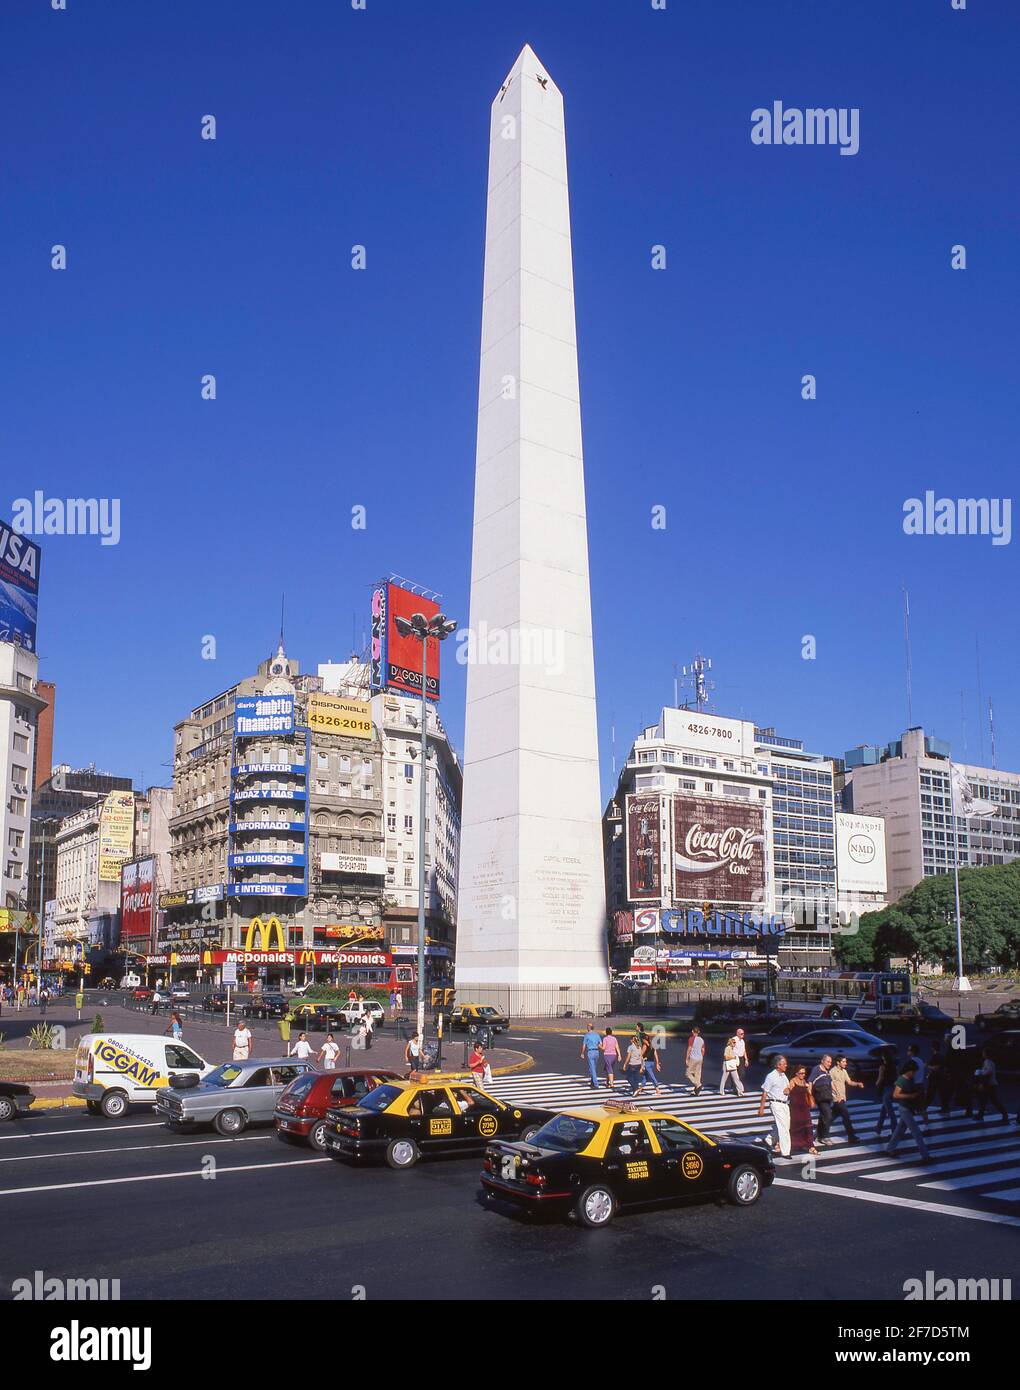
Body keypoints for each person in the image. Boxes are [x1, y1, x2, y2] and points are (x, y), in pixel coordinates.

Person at [884, 1059, 931, 1161]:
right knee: (916, 1132)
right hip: (904, 1108)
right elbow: (895, 1095)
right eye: (913, 1071)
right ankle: (925, 1156)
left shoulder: (910, 1079)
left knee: (899, 1131)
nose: (914, 1073)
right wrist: (910, 1096)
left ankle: (889, 1149)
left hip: (909, 1108)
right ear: (908, 1070)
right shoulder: (901, 1080)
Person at [758, 1055, 791, 1158]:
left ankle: (768, 1140)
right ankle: (786, 1152)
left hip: (785, 1104)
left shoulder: (783, 1075)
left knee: (785, 1126)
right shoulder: (771, 1076)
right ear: (778, 1065)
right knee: (784, 1128)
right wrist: (761, 1108)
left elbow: (787, 1088)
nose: (786, 1065)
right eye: (784, 1063)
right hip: (776, 1103)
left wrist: (788, 1090)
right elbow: (765, 1093)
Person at [829, 1054, 864, 1144]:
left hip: (842, 1098)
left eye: (845, 1061)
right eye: (843, 1061)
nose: (846, 1063)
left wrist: (858, 1084)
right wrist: (838, 1095)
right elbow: (831, 1084)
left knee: (831, 1117)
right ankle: (851, 1136)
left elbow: (849, 1082)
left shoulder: (844, 1071)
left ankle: (818, 1133)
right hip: (837, 1098)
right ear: (838, 1062)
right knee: (846, 1117)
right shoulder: (832, 1072)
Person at [788, 1064, 818, 1155]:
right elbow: (789, 1090)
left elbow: (808, 1093)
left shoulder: (804, 1081)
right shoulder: (792, 1081)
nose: (803, 1075)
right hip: (795, 1108)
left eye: (804, 1073)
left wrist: (809, 1088)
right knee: (795, 1127)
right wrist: (788, 1090)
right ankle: (794, 1144)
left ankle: (811, 1146)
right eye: (801, 1073)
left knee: (808, 1126)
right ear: (796, 1073)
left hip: (804, 1107)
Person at [975, 1048, 1009, 1122]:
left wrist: (980, 1073)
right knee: (985, 1100)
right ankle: (980, 1115)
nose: (982, 1054)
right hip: (991, 1084)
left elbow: (989, 1072)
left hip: (990, 1085)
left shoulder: (987, 1061)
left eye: (983, 1052)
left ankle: (1005, 1114)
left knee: (993, 1101)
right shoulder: (990, 1062)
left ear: (987, 1054)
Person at [809, 1055, 834, 1146]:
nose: (829, 1064)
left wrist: (836, 1095)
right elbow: (810, 1082)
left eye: (830, 1062)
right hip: (820, 1096)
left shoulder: (827, 1071)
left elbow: (830, 1083)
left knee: (823, 1116)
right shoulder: (816, 1069)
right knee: (828, 1115)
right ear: (822, 1061)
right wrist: (810, 1096)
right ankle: (825, 1137)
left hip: (827, 1097)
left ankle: (818, 1134)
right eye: (828, 1062)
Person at [874, 1047, 899, 1136]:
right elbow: (897, 1077)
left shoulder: (882, 1067)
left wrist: (876, 1084)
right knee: (884, 1110)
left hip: (886, 1089)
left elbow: (880, 1079)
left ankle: (895, 1130)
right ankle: (878, 1129)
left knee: (890, 1112)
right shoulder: (894, 1066)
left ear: (883, 1057)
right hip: (892, 1088)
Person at [638, 1031, 662, 1095]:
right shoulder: (652, 1044)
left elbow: (641, 1055)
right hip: (652, 1062)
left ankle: (657, 1090)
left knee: (651, 1076)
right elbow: (655, 1053)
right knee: (645, 1076)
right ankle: (640, 1089)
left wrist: (641, 1066)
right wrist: (657, 1063)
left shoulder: (645, 1046)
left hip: (647, 1063)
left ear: (643, 1039)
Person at [580, 1024, 603, 1089]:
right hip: (596, 1052)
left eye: (587, 1026)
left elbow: (584, 1045)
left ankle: (596, 1084)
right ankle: (592, 1082)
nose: (587, 1027)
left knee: (592, 1069)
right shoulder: (597, 1035)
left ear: (589, 1028)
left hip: (590, 1052)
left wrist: (582, 1053)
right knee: (593, 1068)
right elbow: (600, 1044)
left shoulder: (587, 1035)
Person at [685, 1025, 706, 1095]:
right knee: (698, 1074)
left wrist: (687, 1058)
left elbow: (689, 1048)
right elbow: (703, 1050)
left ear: (692, 1031)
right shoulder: (701, 1039)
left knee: (688, 1073)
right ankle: (697, 1092)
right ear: (698, 1032)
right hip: (700, 1058)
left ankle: (698, 1084)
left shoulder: (691, 1039)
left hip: (693, 1058)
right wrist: (702, 1057)